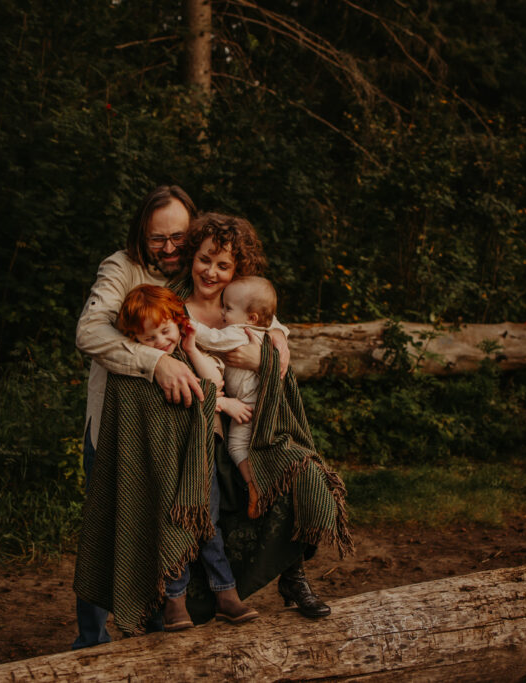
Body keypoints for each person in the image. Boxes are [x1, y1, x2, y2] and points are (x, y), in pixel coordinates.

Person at [172, 213, 349, 620]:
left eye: (223, 265)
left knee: (298, 474)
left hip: (257, 421)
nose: (211, 272)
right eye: (204, 260)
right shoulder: (176, 303)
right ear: (191, 258)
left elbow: (271, 333)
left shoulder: (242, 303)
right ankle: (201, 596)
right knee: (210, 493)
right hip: (204, 425)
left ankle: (294, 575)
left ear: (237, 271)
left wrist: (272, 348)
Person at [72, 184, 200, 649]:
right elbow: (89, 331)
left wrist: (280, 333)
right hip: (116, 429)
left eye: (178, 237)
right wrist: (155, 362)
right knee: (107, 526)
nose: (169, 249)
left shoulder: (202, 265)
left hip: (183, 433)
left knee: (177, 525)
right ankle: (90, 645)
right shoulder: (120, 268)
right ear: (140, 235)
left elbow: (250, 305)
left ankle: (160, 637)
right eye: (157, 239)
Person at [114, 284, 258, 630]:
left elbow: (212, 381)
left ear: (179, 323)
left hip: (199, 461)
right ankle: (174, 602)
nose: (161, 341)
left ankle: (226, 594)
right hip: (165, 464)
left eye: (166, 331)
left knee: (208, 527)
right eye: (150, 339)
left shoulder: (184, 354)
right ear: (136, 341)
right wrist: (222, 404)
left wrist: (191, 347)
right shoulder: (144, 368)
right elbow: (199, 399)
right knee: (172, 526)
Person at [191, 276, 279, 519]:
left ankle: (255, 485)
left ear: (250, 317)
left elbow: (209, 338)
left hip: (248, 405)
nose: (222, 313)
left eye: (228, 308)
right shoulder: (261, 332)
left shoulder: (239, 332)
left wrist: (185, 322)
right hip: (258, 401)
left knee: (237, 446)